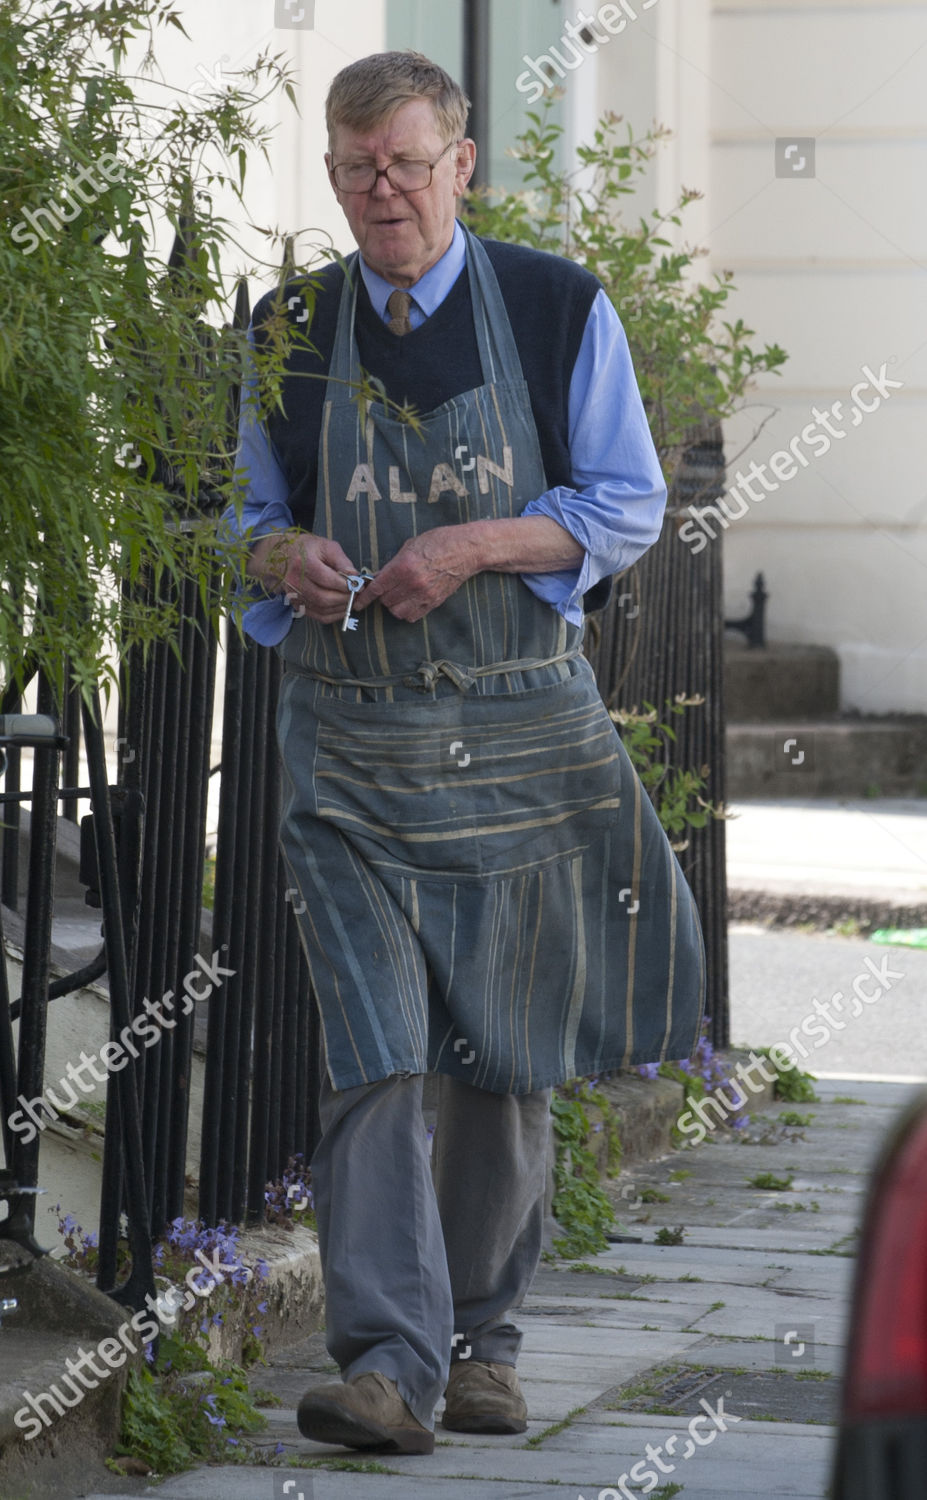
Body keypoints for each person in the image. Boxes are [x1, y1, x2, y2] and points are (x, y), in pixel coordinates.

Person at [226, 49, 705, 1456]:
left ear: (464, 167)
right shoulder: (288, 327)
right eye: (359, 168)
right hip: (352, 743)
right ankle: (387, 1364)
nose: (387, 191)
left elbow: (626, 501)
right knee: (374, 1047)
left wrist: (478, 543)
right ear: (332, 176)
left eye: (412, 165)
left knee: (502, 1046)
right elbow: (230, 519)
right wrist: (282, 553)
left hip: (513, 733)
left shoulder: (557, 306)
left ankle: (486, 1345)